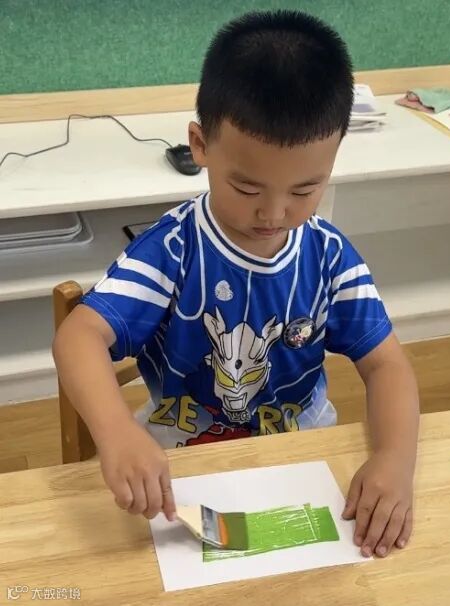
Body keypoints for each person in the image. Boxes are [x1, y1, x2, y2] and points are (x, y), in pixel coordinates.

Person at [53, 10, 419, 559]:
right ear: (199, 145)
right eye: (247, 188)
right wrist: (116, 432)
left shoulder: (328, 255)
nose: (273, 213)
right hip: (182, 453)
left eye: (305, 190)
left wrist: (394, 459)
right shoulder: (173, 250)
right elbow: (78, 337)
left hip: (301, 450)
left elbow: (388, 366)